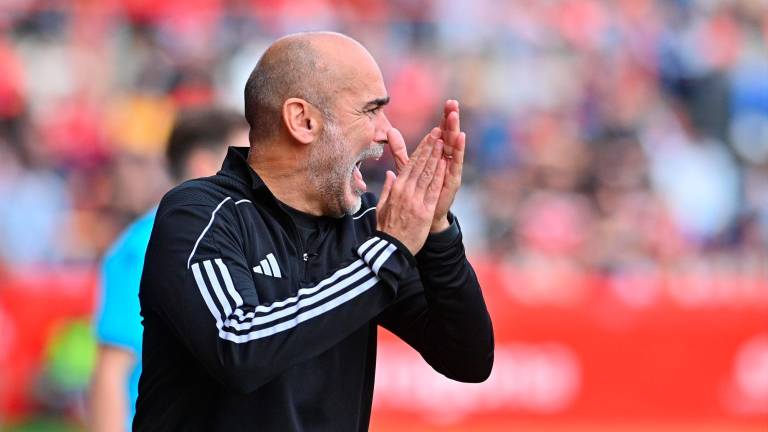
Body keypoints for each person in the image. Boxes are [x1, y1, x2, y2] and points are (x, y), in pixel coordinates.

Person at [135, 31, 494, 431]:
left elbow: (469, 358)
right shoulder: (200, 213)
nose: (386, 132)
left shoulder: (365, 228)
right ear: (303, 120)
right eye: (371, 111)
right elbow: (238, 346)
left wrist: (438, 231)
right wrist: (386, 253)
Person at [89, 108, 248, 431]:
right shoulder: (146, 244)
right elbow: (112, 369)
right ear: (203, 164)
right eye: (244, 158)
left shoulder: (228, 237)